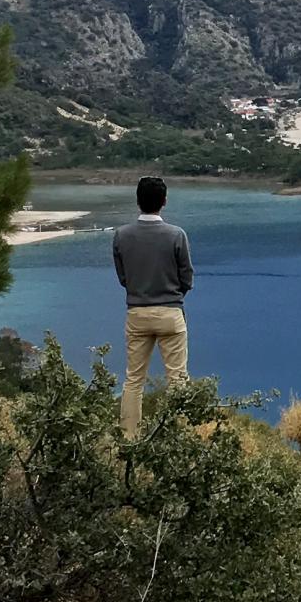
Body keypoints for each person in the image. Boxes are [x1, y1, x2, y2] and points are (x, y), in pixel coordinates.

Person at [112, 175, 194, 438]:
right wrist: (172, 295)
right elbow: (187, 278)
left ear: (137, 201)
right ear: (164, 202)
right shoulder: (176, 235)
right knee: (178, 379)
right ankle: (178, 437)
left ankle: (129, 437)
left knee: (134, 379)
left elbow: (123, 277)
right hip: (170, 313)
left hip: (137, 312)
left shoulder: (121, 236)